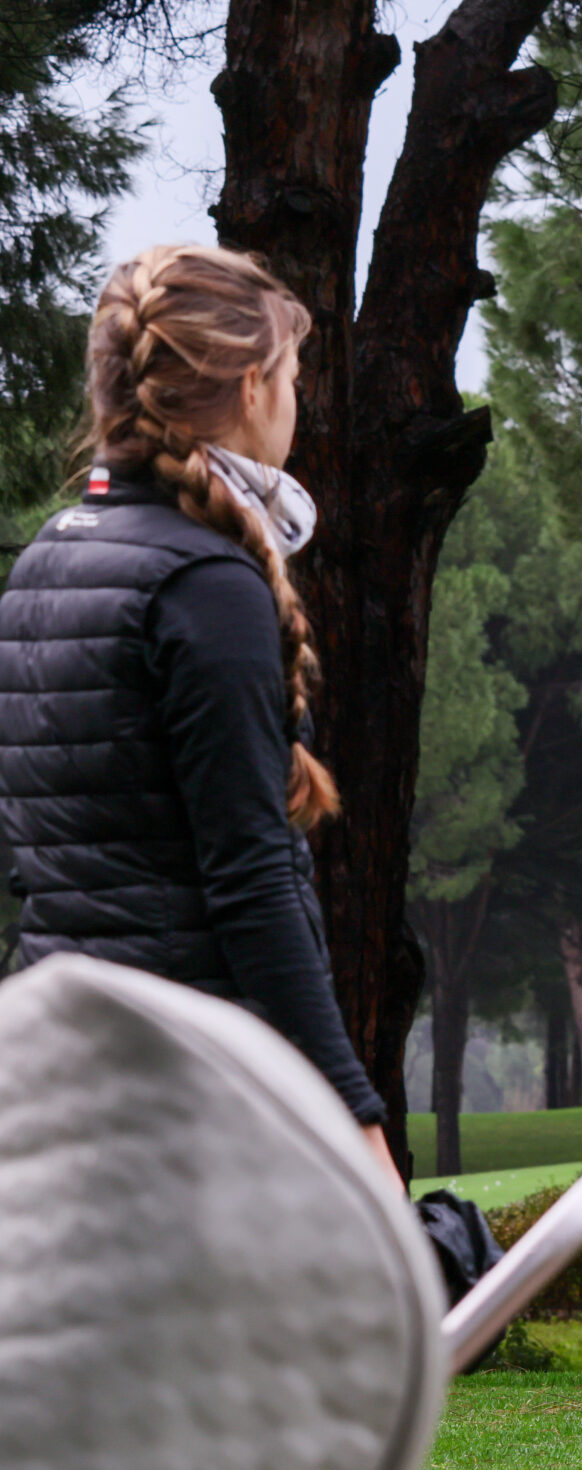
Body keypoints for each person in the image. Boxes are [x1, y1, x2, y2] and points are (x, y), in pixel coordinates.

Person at [0, 244, 396, 1184]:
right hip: (193, 1094)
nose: (297, 400)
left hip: (61, 1079)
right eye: (292, 376)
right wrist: (358, 1123)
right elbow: (253, 886)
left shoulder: (46, 559)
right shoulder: (204, 585)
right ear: (252, 386)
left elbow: (41, 856)